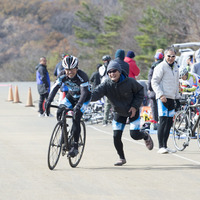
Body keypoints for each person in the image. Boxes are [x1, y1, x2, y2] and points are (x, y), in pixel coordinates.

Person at [92, 60, 154, 166]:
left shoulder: (130, 82)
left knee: (134, 135)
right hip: (118, 111)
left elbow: (140, 91)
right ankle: (121, 158)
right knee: (116, 136)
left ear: (119, 71)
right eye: (109, 72)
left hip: (132, 111)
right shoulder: (106, 84)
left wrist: (135, 107)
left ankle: (145, 136)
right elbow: (95, 94)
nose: (112, 74)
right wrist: (83, 95)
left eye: (114, 71)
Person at [45, 55, 91, 157]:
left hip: (84, 98)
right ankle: (64, 129)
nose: (69, 72)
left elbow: (83, 93)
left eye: (72, 70)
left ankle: (75, 146)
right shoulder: (62, 75)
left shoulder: (82, 76)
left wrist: (78, 105)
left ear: (76, 68)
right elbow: (55, 87)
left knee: (76, 117)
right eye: (67, 70)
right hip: (71, 96)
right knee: (60, 110)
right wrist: (48, 101)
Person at [151, 47, 180, 154]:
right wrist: (160, 94)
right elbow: (154, 82)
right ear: (164, 56)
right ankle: (160, 146)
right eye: (168, 56)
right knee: (163, 121)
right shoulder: (161, 66)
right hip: (163, 98)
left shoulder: (176, 67)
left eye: (173, 56)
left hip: (172, 97)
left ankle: (165, 145)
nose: (171, 58)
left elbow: (177, 84)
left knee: (169, 122)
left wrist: (177, 98)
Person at [147, 51, 164, 129]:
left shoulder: (153, 66)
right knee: (163, 106)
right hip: (163, 89)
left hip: (154, 89)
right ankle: (162, 122)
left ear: (156, 59)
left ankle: (155, 121)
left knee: (154, 106)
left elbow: (150, 78)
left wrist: (149, 88)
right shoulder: (165, 65)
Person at [99, 55, 112, 126]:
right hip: (105, 86)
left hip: (112, 86)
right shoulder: (101, 68)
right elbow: (102, 74)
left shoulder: (112, 67)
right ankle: (105, 120)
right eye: (105, 61)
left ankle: (114, 118)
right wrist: (106, 67)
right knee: (106, 104)